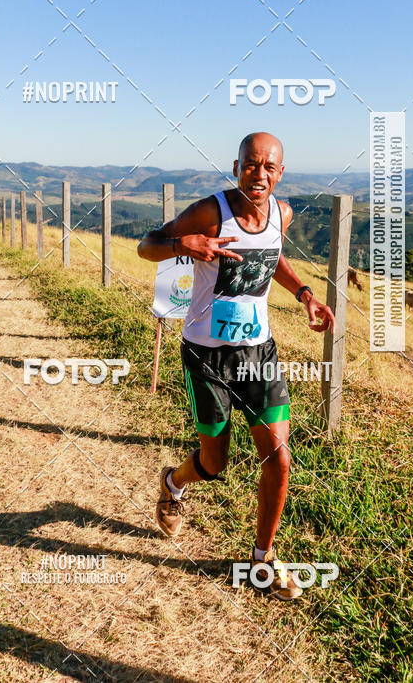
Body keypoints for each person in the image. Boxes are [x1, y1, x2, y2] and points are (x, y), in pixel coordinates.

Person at [137, 132, 334, 599]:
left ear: (280, 173)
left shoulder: (281, 213)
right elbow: (148, 245)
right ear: (236, 165)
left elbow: (272, 258)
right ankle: (172, 481)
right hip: (206, 356)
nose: (259, 174)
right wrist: (186, 244)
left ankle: (261, 560)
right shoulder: (211, 211)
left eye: (269, 167)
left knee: (280, 459)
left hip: (257, 353)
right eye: (251, 165)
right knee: (214, 462)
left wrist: (304, 295)